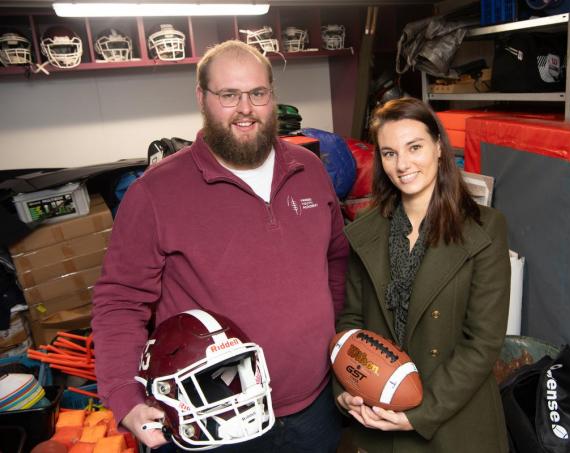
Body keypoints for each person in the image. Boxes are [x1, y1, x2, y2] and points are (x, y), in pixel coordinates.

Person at [92, 40, 348, 452]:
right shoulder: (155, 193)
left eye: (258, 93)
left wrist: (329, 340)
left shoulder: (310, 171)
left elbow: (336, 260)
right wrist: (124, 394)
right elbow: (120, 300)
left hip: (315, 409)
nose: (246, 108)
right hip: (214, 421)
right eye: (229, 95)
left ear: (272, 97)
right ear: (202, 99)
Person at [335, 97, 510, 453]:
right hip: (378, 419)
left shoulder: (485, 229)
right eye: (389, 153)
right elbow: (351, 323)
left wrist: (421, 411)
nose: (403, 164)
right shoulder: (365, 231)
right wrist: (348, 390)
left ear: (439, 147)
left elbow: (483, 342)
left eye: (414, 147)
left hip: (454, 422)